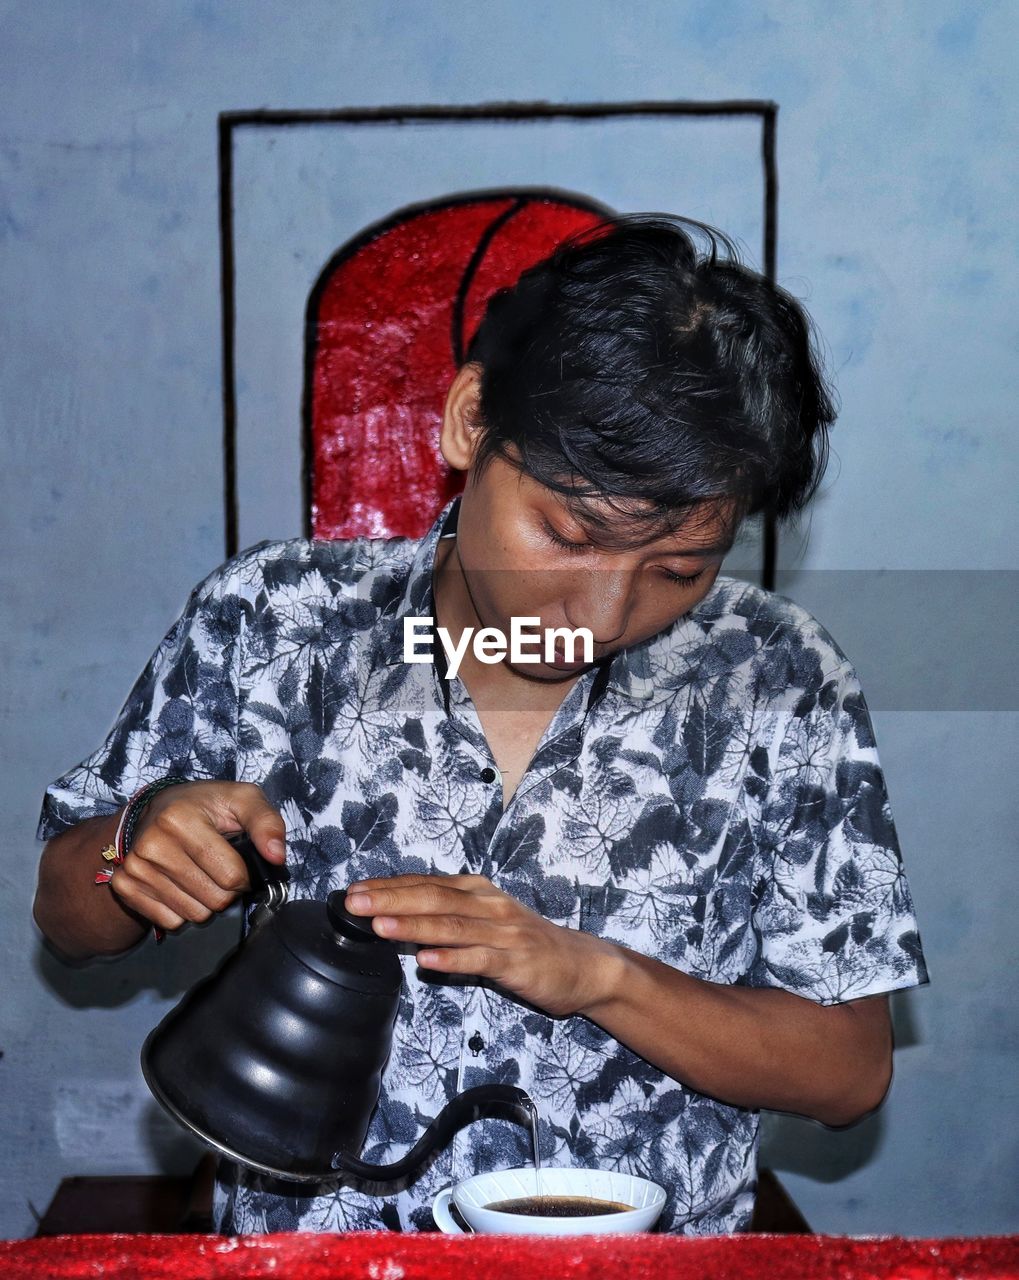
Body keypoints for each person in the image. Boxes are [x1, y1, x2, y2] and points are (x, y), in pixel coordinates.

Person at [33, 214, 929, 1235]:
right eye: (567, 532)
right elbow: (69, 919)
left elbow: (847, 1070)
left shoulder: (776, 676)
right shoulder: (273, 618)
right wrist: (134, 840)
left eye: (678, 569)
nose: (598, 617)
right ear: (469, 420)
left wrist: (597, 974)